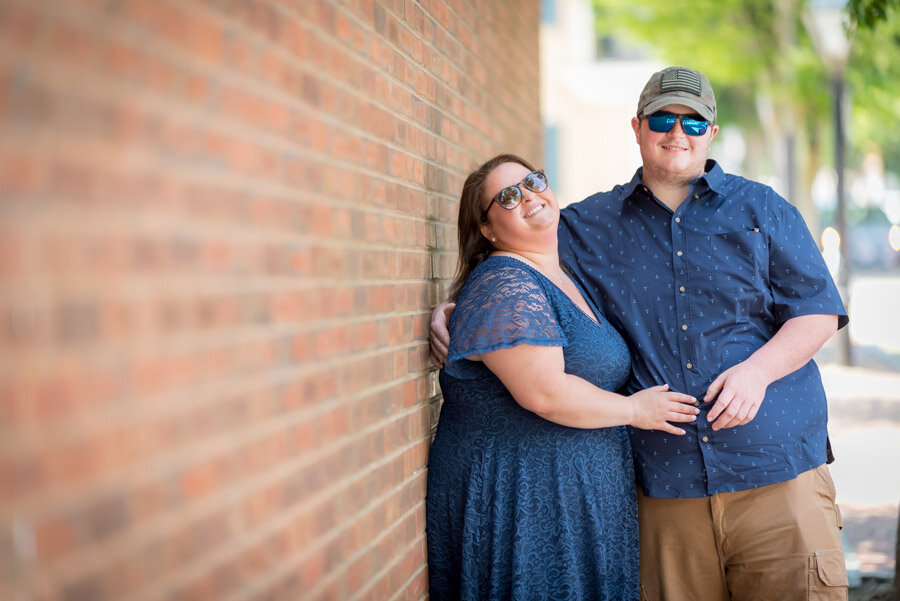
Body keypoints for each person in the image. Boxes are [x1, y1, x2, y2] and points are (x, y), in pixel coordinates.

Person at [430, 68, 850, 601]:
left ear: (712, 133)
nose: (678, 132)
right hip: (664, 492)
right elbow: (520, 265)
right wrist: (457, 309)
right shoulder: (584, 226)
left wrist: (757, 373)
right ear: (637, 127)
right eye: (663, 118)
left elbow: (816, 311)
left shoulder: (761, 209)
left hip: (775, 474)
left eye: (694, 121)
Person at [426, 153, 700, 601]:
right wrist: (635, 410)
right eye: (508, 196)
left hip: (572, 504)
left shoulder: (563, 274)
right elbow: (545, 393)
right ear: (488, 230)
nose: (529, 196)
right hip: (527, 507)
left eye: (533, 181)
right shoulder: (503, 281)